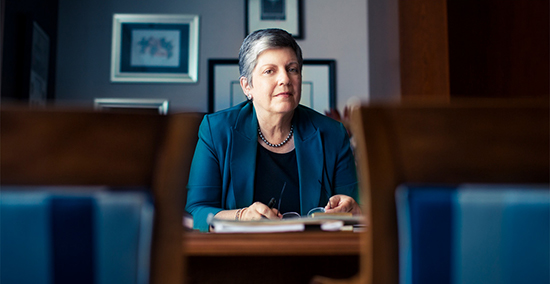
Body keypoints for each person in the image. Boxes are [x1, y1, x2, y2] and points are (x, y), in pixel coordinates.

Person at [186, 28, 361, 232]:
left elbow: (353, 213)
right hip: (238, 257)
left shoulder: (332, 134)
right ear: (246, 86)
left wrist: (353, 210)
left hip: (315, 257)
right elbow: (195, 211)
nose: (285, 79)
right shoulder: (216, 131)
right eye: (270, 71)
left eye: (292, 69)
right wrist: (240, 216)